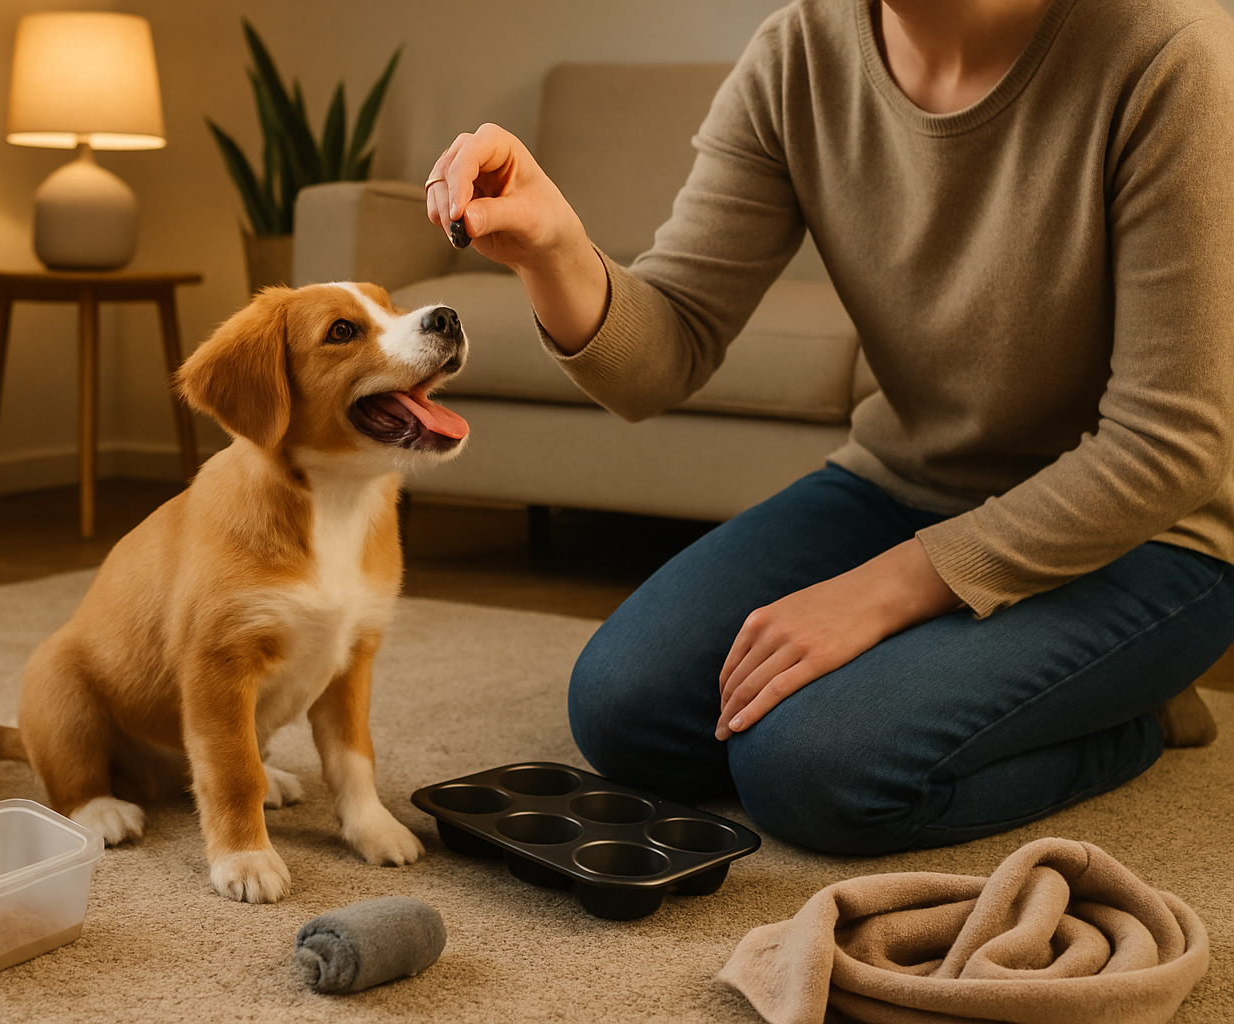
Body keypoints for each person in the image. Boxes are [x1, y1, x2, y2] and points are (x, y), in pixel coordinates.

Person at [424, 0, 1234, 855]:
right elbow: (666, 351)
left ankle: (1133, 719)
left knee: (811, 768)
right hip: (901, 486)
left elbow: (1168, 444)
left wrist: (883, 591)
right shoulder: (799, 52)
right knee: (624, 710)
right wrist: (555, 248)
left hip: (1148, 539)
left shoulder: (1168, 58)